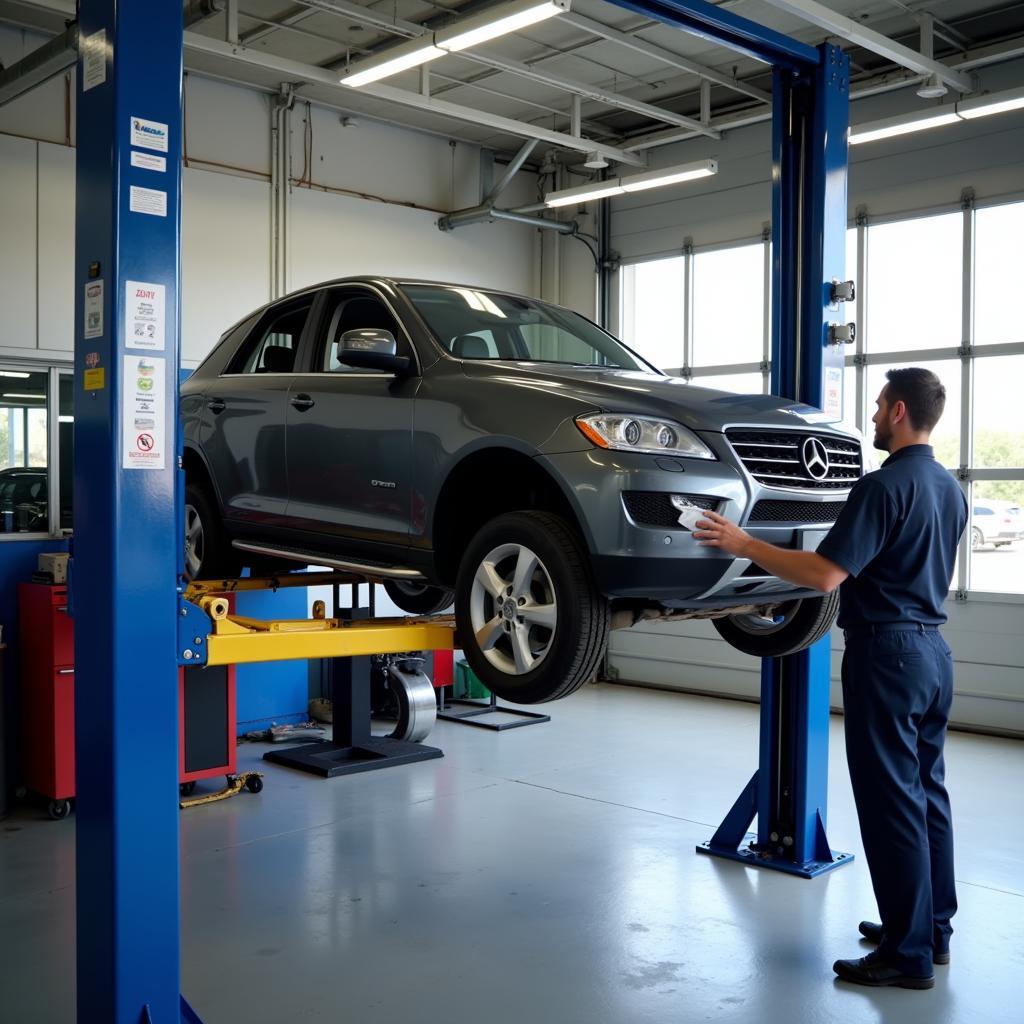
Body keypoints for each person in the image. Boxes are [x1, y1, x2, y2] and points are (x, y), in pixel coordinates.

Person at [694, 367, 967, 991]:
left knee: (892, 805)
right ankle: (932, 930)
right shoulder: (948, 488)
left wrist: (742, 543)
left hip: (888, 655)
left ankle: (907, 954)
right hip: (933, 653)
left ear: (898, 411)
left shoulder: (883, 486)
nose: (872, 416)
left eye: (877, 407)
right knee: (928, 796)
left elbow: (823, 576)